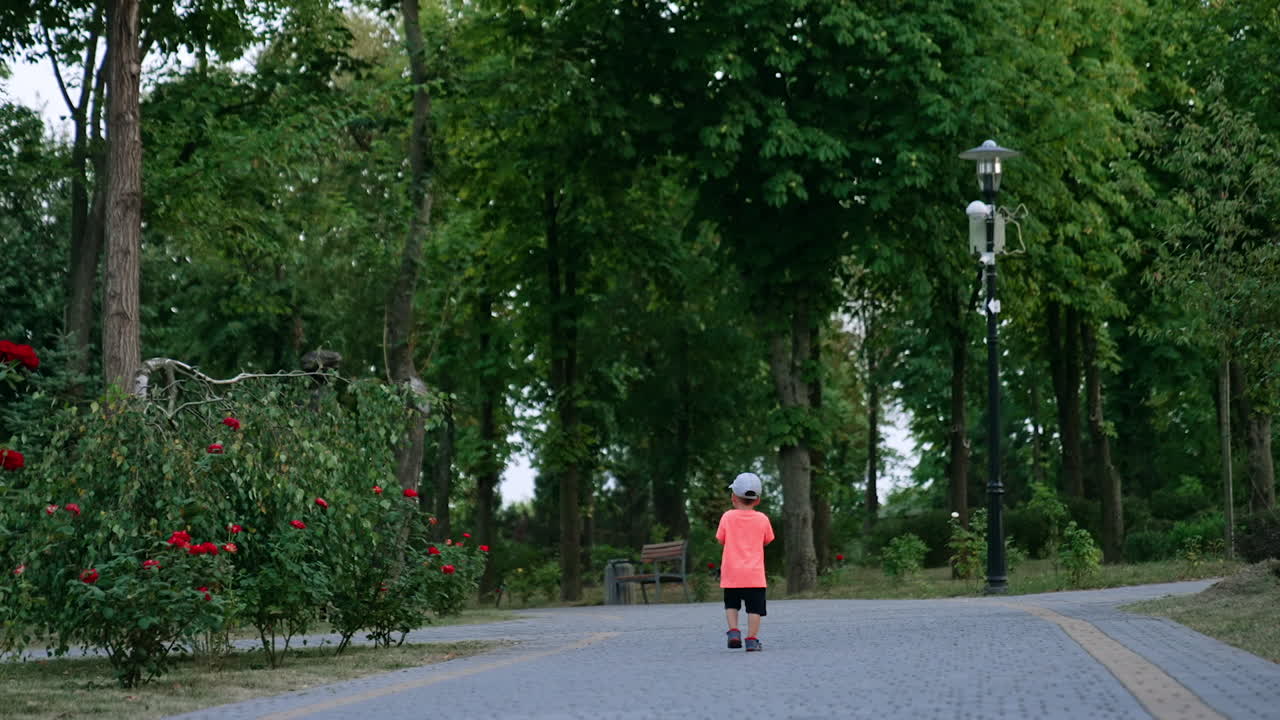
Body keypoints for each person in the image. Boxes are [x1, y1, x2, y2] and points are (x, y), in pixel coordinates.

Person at [716, 472, 774, 652]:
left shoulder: (727, 517)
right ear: (757, 500)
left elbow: (720, 539)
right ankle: (752, 639)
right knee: (754, 609)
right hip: (754, 575)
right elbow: (768, 539)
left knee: (731, 604)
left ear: (733, 497)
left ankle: (733, 631)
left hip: (732, 572)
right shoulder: (763, 519)